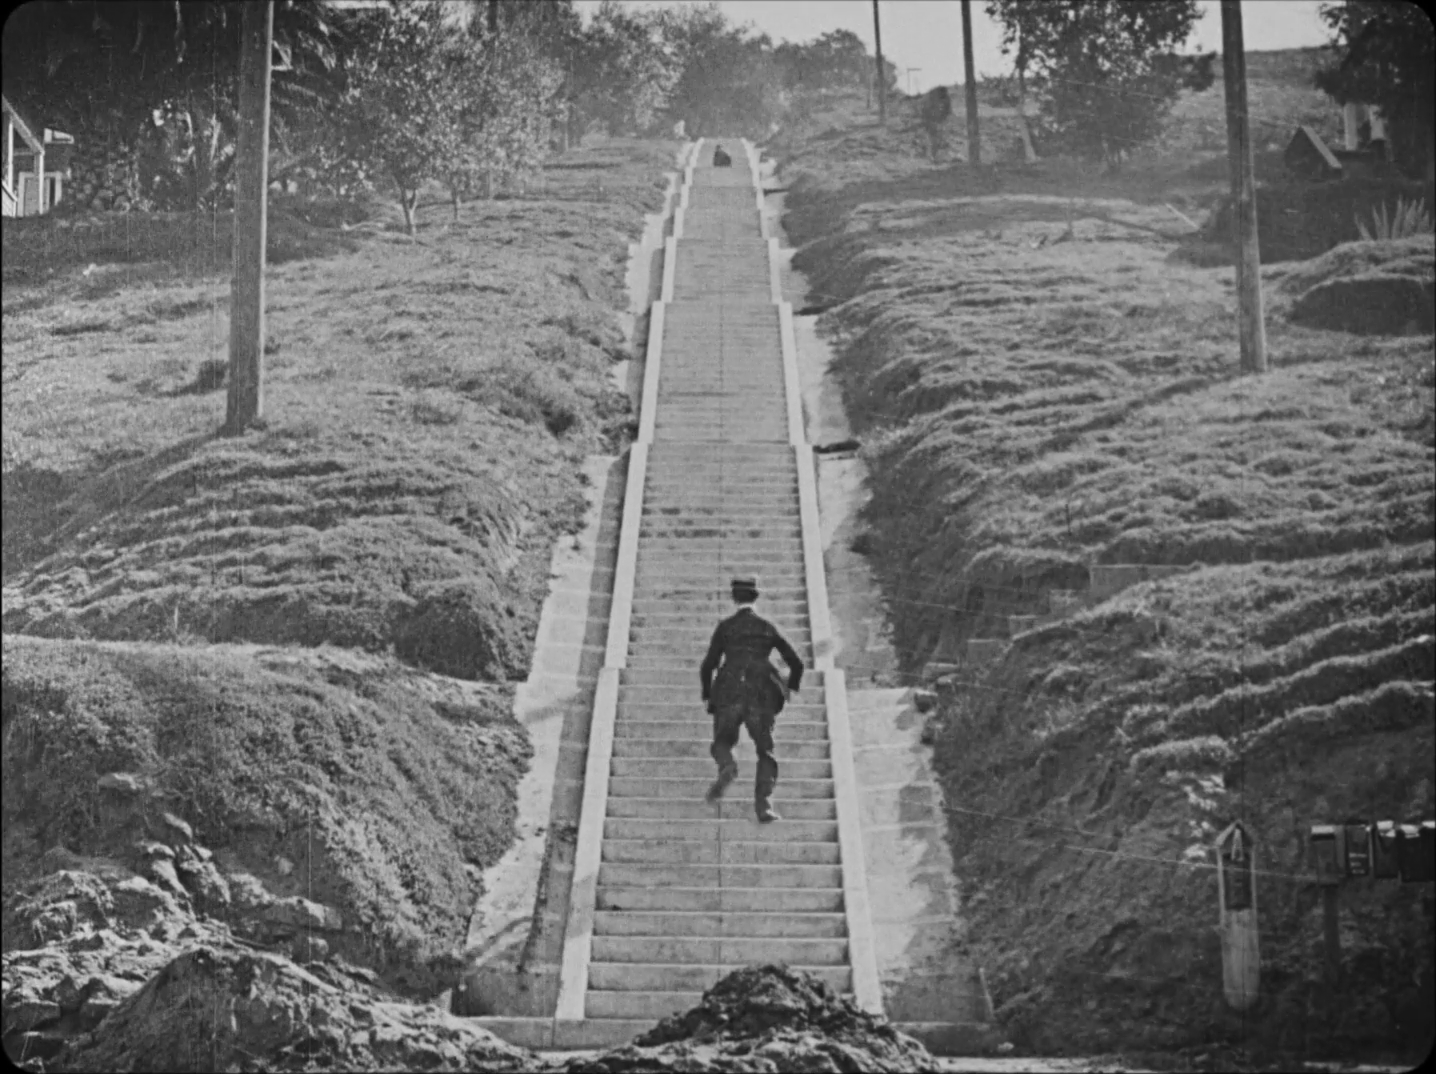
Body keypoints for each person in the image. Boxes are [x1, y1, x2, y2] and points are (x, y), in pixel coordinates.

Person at [699, 576, 804, 822]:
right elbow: (796, 663)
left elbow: (708, 665)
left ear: (734, 599)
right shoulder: (767, 628)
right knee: (765, 750)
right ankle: (764, 805)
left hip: (729, 691)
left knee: (722, 741)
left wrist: (707, 694)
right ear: (755, 598)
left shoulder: (725, 628)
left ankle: (727, 765)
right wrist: (791, 687)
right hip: (761, 693)